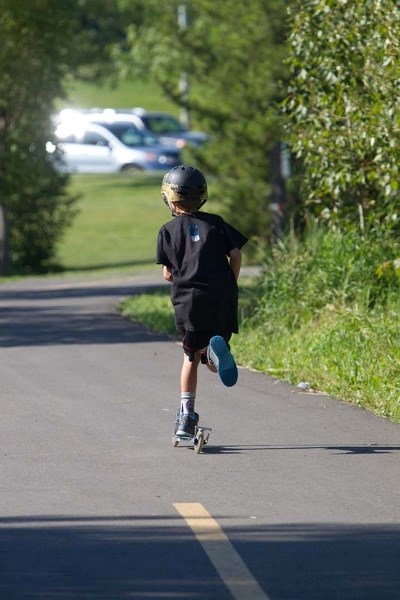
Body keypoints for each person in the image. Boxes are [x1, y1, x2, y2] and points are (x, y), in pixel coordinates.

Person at [156, 165, 248, 437]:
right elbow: (236, 254)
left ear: (170, 200)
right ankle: (212, 353)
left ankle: (186, 416)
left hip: (189, 303)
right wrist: (230, 281)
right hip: (221, 298)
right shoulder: (216, 223)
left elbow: (167, 273)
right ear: (203, 196)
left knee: (189, 358)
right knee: (212, 351)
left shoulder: (167, 230)